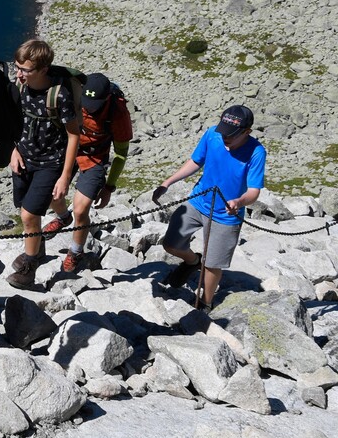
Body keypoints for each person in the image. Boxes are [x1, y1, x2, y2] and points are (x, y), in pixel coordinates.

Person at [154, 105, 265, 308]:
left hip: (226, 214)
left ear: (247, 132)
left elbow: (253, 191)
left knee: (213, 264)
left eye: (231, 134)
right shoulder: (212, 134)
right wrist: (168, 182)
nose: (225, 137)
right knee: (171, 244)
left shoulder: (256, 152)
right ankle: (192, 262)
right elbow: (196, 161)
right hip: (198, 200)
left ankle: (205, 303)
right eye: (223, 131)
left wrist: (238, 202)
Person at [7, 39, 81, 290]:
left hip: (51, 163)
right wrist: (12, 150)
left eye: (26, 69)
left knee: (28, 214)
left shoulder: (59, 95)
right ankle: (37, 250)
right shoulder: (18, 86)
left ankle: (29, 267)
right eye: (17, 67)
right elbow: (14, 121)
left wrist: (64, 176)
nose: (19, 73)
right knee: (27, 210)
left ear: (43, 69)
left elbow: (73, 135)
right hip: (24, 158)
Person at [41, 73, 133, 273]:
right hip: (67, 150)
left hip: (95, 157)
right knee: (48, 192)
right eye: (86, 102)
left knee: (81, 210)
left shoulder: (118, 113)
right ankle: (63, 217)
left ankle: (75, 252)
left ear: (107, 98)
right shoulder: (73, 96)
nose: (88, 108)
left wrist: (109, 187)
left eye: (94, 104)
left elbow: (121, 153)